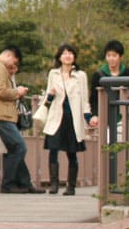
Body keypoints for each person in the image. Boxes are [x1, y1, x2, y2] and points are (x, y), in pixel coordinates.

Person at [39, 44, 96, 195]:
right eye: (64, 53)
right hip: (56, 116)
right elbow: (47, 97)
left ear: (74, 56)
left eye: (70, 53)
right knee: (53, 150)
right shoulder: (53, 74)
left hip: (73, 118)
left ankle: (71, 186)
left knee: (72, 152)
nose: (67, 56)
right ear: (59, 57)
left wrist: (88, 116)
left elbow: (84, 98)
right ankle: (54, 184)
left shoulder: (81, 75)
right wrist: (50, 96)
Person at [0, 46, 36, 194]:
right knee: (20, 147)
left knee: (14, 148)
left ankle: (25, 183)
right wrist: (17, 92)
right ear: (10, 56)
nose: (13, 65)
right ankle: (8, 184)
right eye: (14, 61)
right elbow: (1, 92)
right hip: (0, 113)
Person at [88, 40, 129, 119]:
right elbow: (94, 98)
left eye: (114, 55)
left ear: (120, 57)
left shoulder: (128, 73)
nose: (111, 59)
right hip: (104, 115)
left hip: (124, 116)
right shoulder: (98, 75)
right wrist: (95, 115)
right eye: (108, 55)